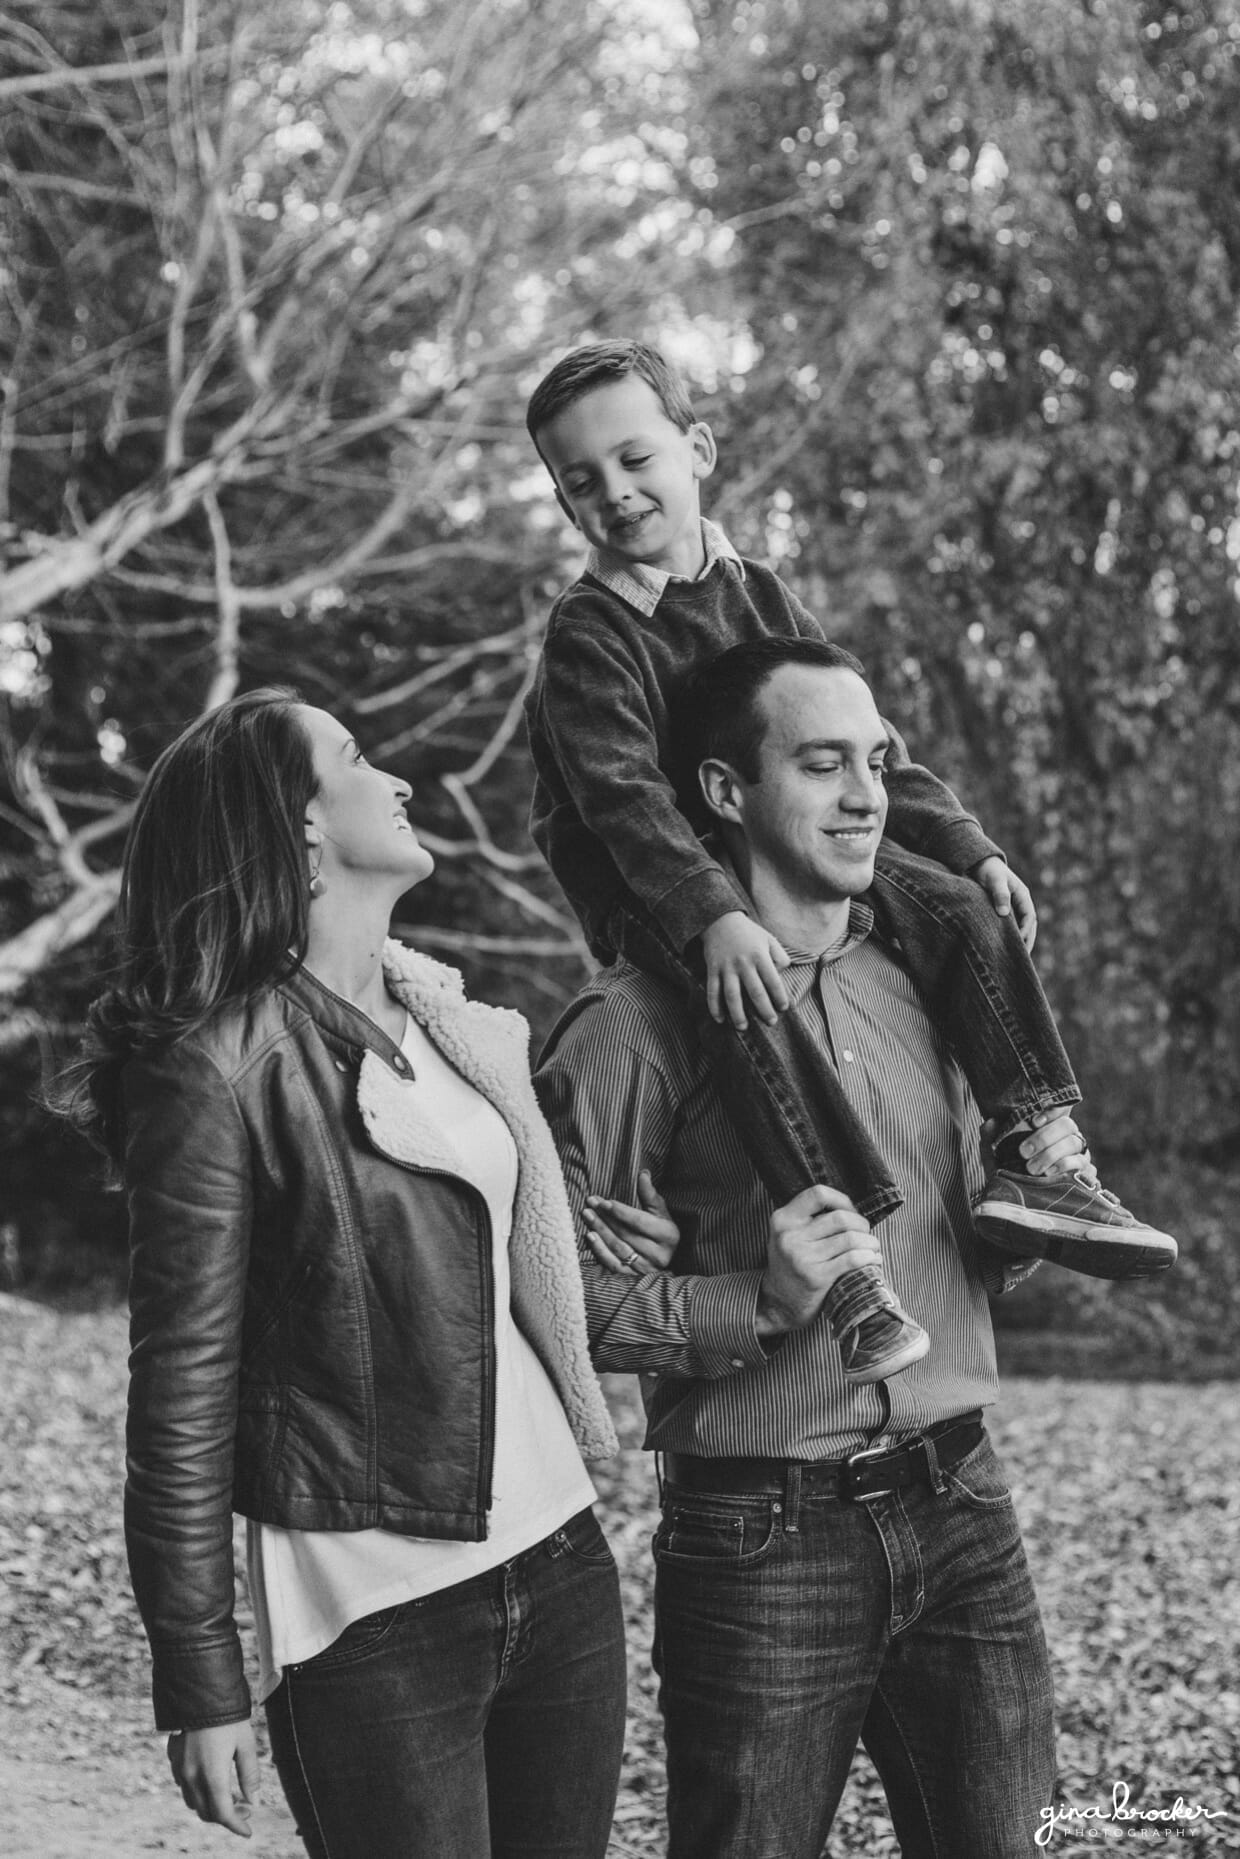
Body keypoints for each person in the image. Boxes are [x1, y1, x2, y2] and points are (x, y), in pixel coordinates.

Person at [60, 688, 654, 1859]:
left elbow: (504, 1272)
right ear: (300, 827)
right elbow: (178, 1392)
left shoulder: (444, 1013)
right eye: (357, 756)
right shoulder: (211, 1066)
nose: (397, 780)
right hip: (377, 1608)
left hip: (558, 1561)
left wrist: (685, 1270)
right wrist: (200, 1676)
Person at [534, 638, 1105, 1857]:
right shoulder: (633, 1024)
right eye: (820, 763)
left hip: (962, 1500)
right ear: (726, 792)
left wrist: (1010, 1234)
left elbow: (979, 1237)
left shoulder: (939, 983)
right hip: (760, 1535)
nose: (863, 797)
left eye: (876, 763)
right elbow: (541, 1293)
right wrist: (753, 1293)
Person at [523, 339, 1176, 1385]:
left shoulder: (762, 592)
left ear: (696, 449)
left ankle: (1036, 1148)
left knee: (960, 905)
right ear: (564, 503)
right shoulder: (592, 632)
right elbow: (620, 801)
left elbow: (865, 743)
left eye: (635, 458)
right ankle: (852, 1270)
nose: (615, 491)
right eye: (581, 482)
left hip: (772, 855)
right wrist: (710, 916)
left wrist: (965, 842)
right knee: (748, 1009)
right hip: (661, 890)